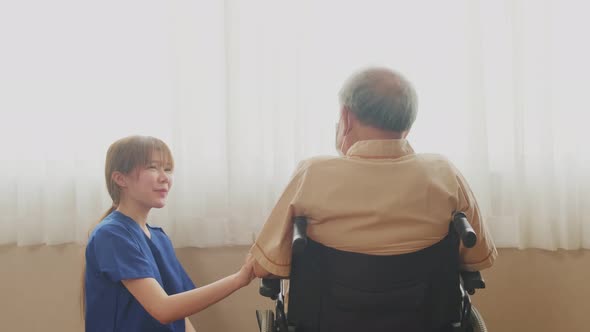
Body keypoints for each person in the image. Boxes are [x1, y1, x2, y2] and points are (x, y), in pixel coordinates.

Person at [250, 67, 497, 278]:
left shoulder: (312, 174)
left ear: (346, 117)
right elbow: (477, 256)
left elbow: (264, 268)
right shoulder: (444, 173)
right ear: (408, 125)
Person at [83, 135, 255, 332]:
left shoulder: (160, 239)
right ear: (120, 178)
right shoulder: (111, 235)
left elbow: (180, 316)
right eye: (153, 167)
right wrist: (239, 279)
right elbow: (163, 309)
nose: (164, 178)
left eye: (167, 169)